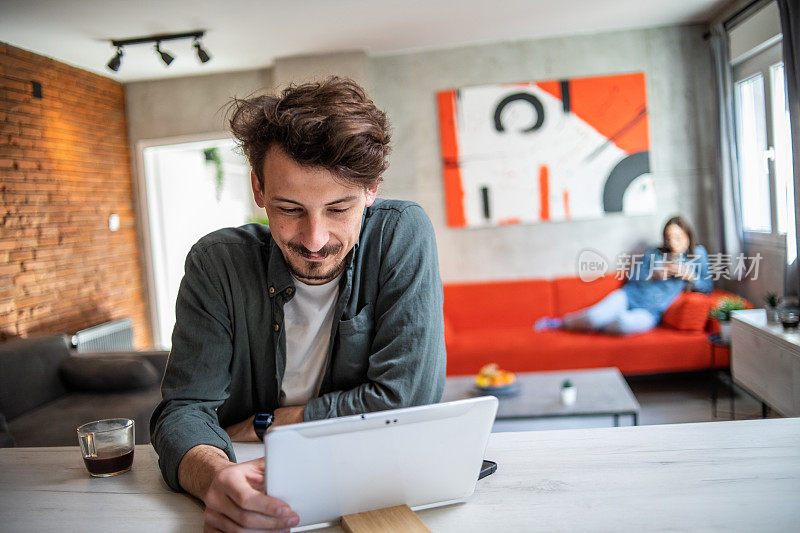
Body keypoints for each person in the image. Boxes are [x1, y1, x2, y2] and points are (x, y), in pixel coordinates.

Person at [150, 77, 446, 531]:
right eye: (289, 208)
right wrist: (216, 477)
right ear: (259, 190)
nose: (315, 240)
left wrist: (273, 421)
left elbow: (408, 403)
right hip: (254, 480)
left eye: (338, 209)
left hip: (370, 484)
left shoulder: (401, 234)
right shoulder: (216, 264)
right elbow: (185, 411)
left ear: (371, 190)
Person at [535, 216, 712, 335]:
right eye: (668, 238)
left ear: (688, 235)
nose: (672, 243)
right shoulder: (654, 253)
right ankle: (561, 323)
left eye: (678, 237)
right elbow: (632, 277)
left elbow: (707, 286)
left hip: (651, 312)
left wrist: (690, 277)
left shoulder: (698, 254)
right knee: (593, 317)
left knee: (623, 324)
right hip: (628, 296)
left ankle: (599, 325)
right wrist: (654, 274)